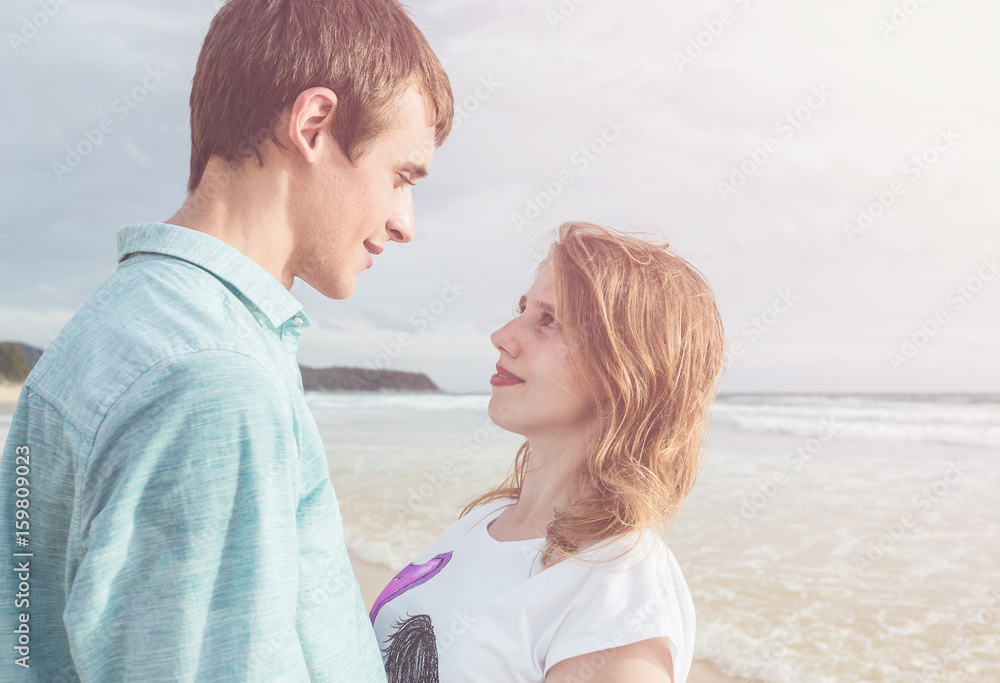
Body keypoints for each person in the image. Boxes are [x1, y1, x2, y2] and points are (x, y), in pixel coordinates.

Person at [0, 0, 452, 680]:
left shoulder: (126, 324)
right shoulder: (213, 378)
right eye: (401, 176)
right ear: (313, 124)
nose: (404, 222)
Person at [370, 222, 725, 682]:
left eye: (549, 320)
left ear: (627, 371)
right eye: (522, 309)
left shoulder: (618, 588)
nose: (502, 335)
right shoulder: (484, 520)